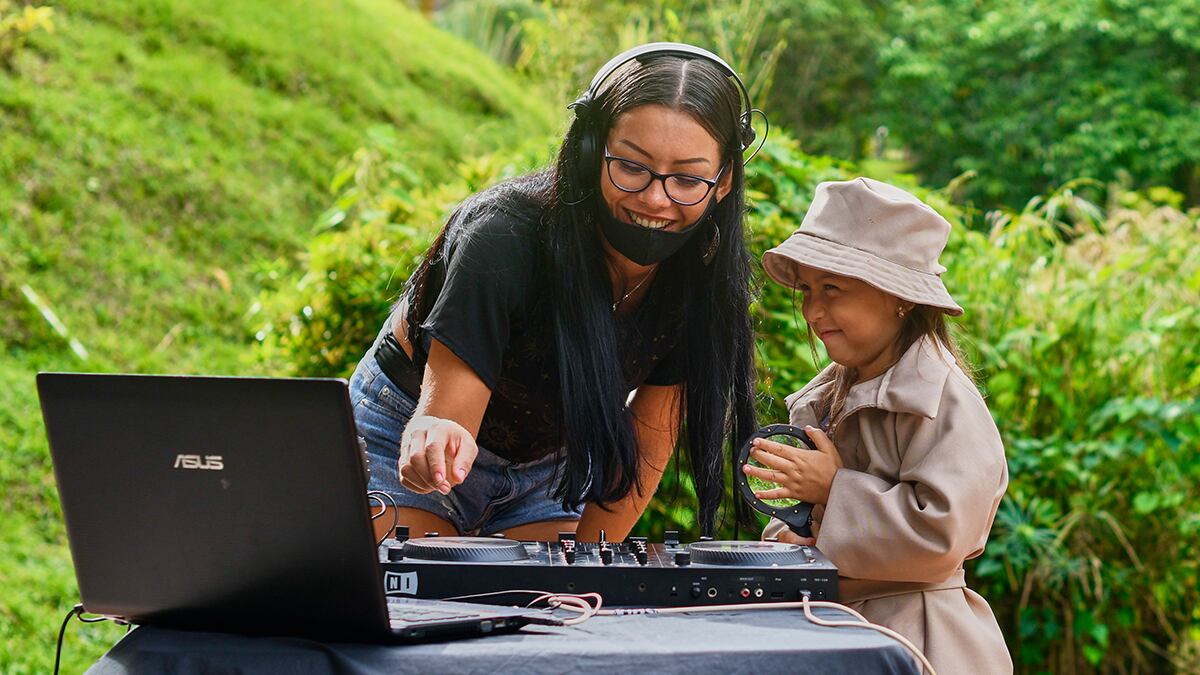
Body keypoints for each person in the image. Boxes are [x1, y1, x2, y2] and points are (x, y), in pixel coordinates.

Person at [349, 43, 759, 543]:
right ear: (591, 152)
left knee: (557, 591)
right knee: (430, 580)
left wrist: (587, 568)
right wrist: (433, 437)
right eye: (631, 166)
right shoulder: (502, 235)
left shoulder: (703, 279)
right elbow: (447, 421)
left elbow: (647, 444)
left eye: (688, 178)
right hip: (403, 433)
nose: (656, 198)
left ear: (723, 181)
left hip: (548, 472)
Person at [750, 177, 1012, 673]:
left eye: (832, 287)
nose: (812, 310)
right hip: (830, 629)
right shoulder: (826, 397)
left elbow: (943, 535)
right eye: (806, 289)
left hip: (919, 641)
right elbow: (798, 519)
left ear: (900, 297)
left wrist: (833, 489)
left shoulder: (941, 399)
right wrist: (789, 536)